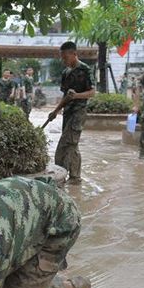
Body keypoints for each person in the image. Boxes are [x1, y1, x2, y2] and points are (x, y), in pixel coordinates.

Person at [47, 41, 96, 184]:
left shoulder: (85, 69)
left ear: (74, 54)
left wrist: (76, 96)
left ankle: (62, 175)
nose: (63, 60)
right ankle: (74, 178)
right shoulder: (65, 73)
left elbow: (92, 93)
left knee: (65, 144)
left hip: (79, 112)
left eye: (65, 57)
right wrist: (55, 111)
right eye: (61, 58)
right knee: (72, 144)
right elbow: (65, 96)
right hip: (67, 113)